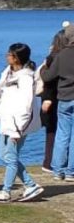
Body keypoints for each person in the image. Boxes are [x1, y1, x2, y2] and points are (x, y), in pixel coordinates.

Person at [0, 43, 44, 203]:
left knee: (10, 157)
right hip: (7, 121)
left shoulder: (26, 77)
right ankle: (30, 185)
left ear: (17, 58)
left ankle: (6, 191)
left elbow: (27, 105)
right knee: (5, 156)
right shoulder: (8, 72)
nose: (6, 56)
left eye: (10, 54)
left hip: (18, 124)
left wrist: (18, 129)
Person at [38, 27, 74, 179]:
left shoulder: (61, 55)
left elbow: (47, 77)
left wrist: (43, 70)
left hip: (64, 97)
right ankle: (71, 170)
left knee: (62, 134)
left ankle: (58, 169)